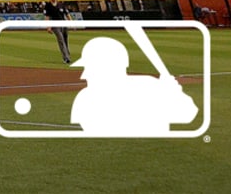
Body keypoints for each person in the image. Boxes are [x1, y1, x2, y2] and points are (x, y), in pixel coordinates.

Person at [66, 36, 198, 137]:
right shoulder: (149, 85)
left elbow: (189, 113)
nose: (84, 75)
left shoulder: (87, 97)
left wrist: (174, 94)